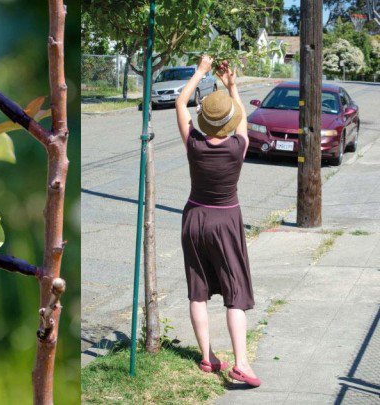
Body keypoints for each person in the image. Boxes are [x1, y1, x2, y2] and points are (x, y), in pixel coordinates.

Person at [175, 55, 260, 388]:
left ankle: (208, 357)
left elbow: (181, 103)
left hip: (194, 216)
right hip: (226, 220)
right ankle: (241, 363)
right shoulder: (238, 146)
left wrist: (199, 72)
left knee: (197, 290)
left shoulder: (194, 145)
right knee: (234, 292)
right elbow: (240, 121)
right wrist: (233, 87)